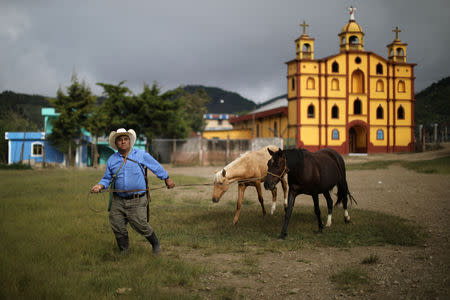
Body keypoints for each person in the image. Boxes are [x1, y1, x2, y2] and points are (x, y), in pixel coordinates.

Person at [90, 128, 175, 254]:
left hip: (137, 198)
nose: (123, 142)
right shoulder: (112, 160)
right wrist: (100, 186)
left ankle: (155, 244)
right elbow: (107, 178)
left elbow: (155, 166)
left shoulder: (141, 155)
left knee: (140, 224)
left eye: (125, 139)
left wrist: (166, 179)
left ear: (130, 142)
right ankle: (124, 251)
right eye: (120, 140)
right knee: (116, 224)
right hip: (118, 200)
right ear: (116, 143)